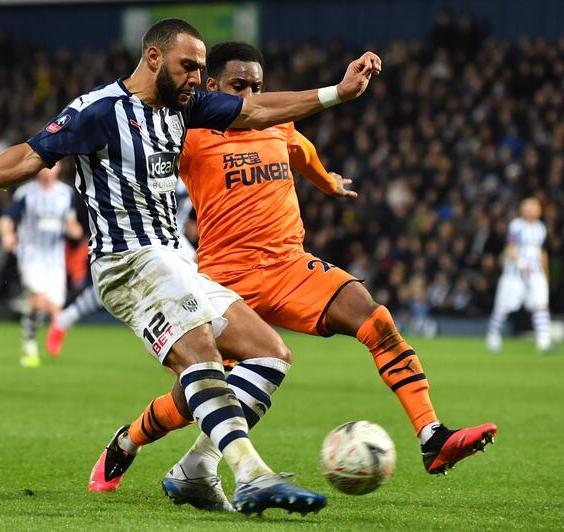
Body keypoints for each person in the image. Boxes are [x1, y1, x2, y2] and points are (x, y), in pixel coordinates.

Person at [0, 18, 382, 516]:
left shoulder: (187, 107)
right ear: (154, 58)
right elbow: (28, 157)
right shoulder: (98, 111)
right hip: (127, 261)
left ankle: (194, 472)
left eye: (200, 68)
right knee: (200, 353)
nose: (197, 77)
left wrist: (338, 93)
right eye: (188, 66)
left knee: (270, 354)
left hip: (174, 259)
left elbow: (257, 109)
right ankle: (252, 475)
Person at [87, 42, 497, 511]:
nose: (251, 94)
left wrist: (329, 183)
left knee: (374, 318)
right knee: (196, 393)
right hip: (224, 278)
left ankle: (432, 435)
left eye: (257, 87)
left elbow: (303, 155)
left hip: (288, 266)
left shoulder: (277, 123)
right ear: (213, 86)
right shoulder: (187, 131)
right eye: (239, 86)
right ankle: (129, 441)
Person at [45, 179, 195, 355]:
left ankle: (180, 334)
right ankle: (178, 335)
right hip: (145, 232)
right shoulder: (158, 165)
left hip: (172, 236)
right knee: (117, 283)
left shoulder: (190, 172)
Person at [0, 163, 83, 367]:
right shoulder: (26, 194)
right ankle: (29, 346)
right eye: (44, 166)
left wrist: (75, 230)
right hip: (31, 255)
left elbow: (70, 221)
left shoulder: (66, 194)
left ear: (58, 169)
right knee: (38, 300)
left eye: (51, 166)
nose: (47, 170)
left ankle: (29, 331)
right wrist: (7, 235)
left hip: (55, 258)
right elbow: (6, 219)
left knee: (54, 309)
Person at [486, 198, 552, 353]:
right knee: (503, 306)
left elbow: (542, 253)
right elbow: (511, 248)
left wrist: (545, 274)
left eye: (536, 207)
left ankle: (544, 342)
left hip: (535, 273)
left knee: (540, 305)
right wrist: (522, 264)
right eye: (531, 207)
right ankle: (493, 336)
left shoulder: (541, 228)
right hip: (514, 274)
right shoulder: (516, 226)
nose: (534, 210)